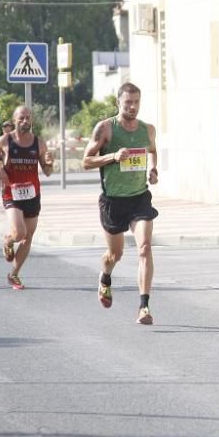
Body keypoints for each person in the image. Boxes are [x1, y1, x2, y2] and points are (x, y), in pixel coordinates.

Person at [82, 82, 159, 325]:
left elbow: (153, 150)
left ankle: (144, 307)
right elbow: (86, 161)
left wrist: (154, 169)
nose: (133, 107)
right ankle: (105, 276)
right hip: (113, 201)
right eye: (128, 102)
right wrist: (113, 157)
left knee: (145, 248)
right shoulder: (105, 128)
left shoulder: (147, 130)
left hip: (139, 197)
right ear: (119, 102)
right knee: (115, 254)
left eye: (136, 102)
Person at [0, 106, 53, 290]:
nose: (25, 121)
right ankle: (8, 240)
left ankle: (13, 274)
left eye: (28, 118)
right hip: (11, 193)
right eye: (21, 118)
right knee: (19, 233)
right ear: (14, 120)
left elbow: (47, 171)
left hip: (32, 194)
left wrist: (50, 163)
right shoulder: (6, 140)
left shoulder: (39, 142)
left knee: (28, 237)